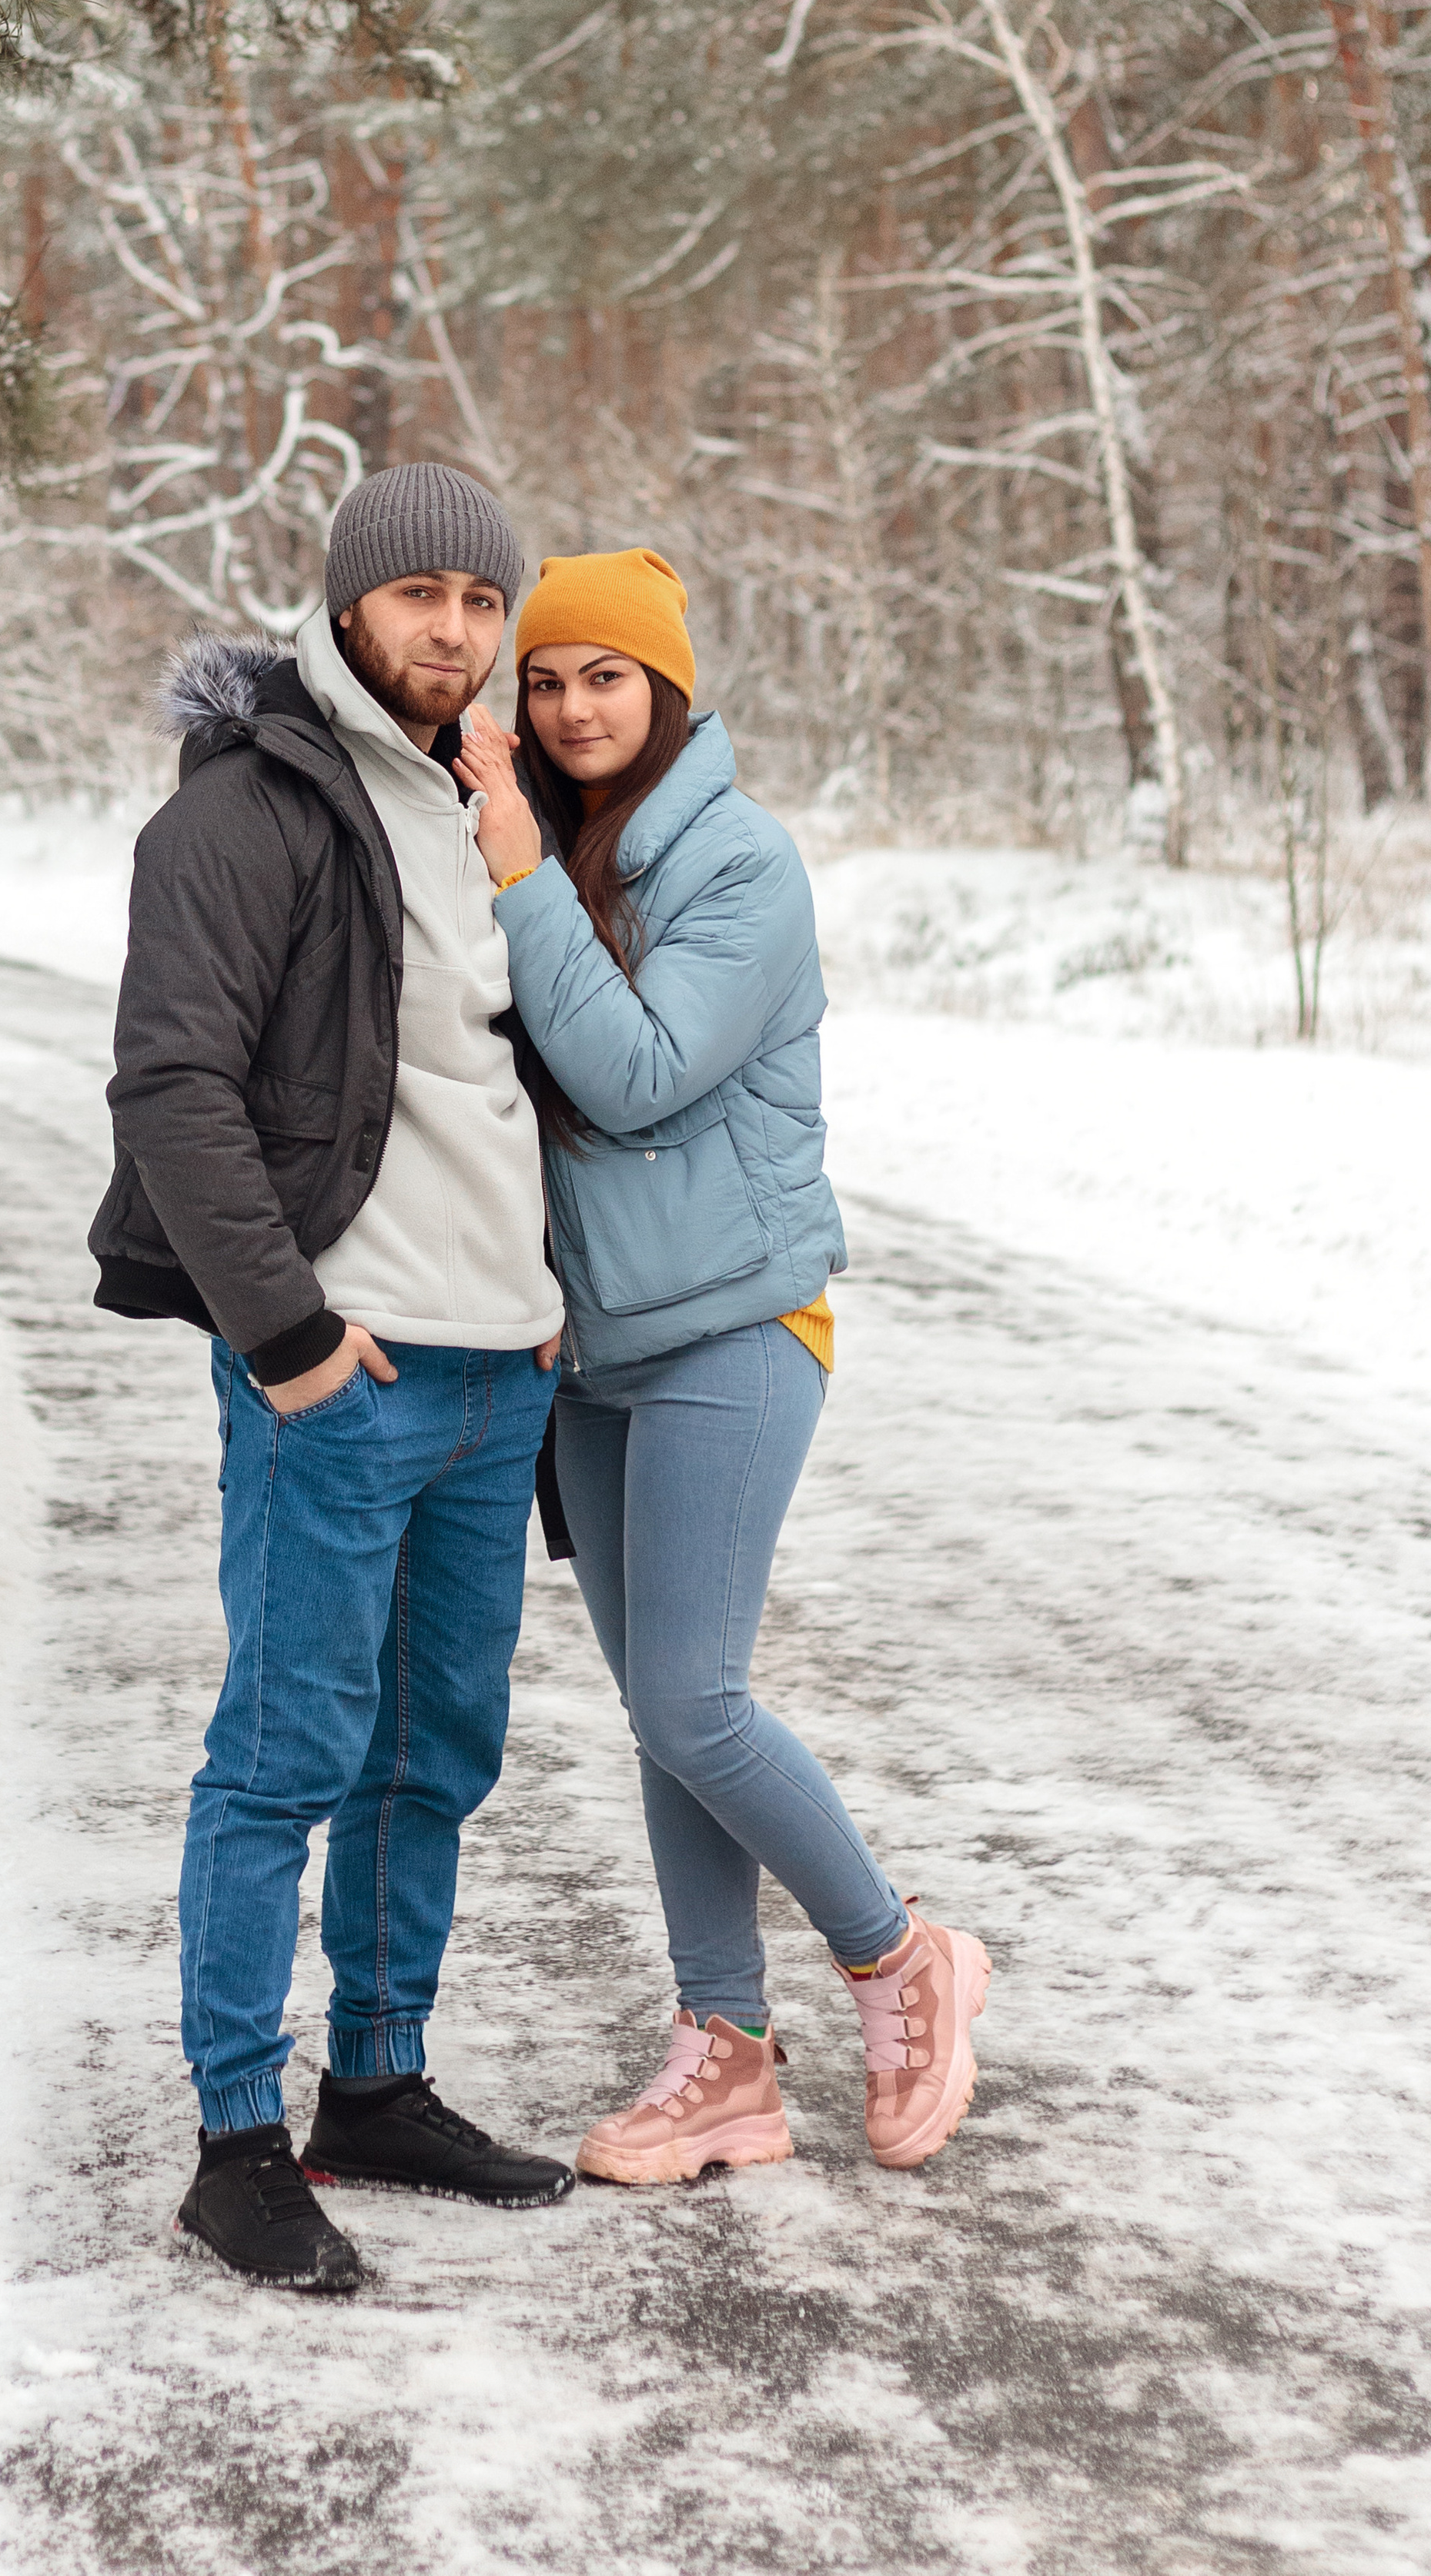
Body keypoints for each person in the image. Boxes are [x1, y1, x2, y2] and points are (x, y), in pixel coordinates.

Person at [91, 464, 574, 2293]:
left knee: (429, 1754)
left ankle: (373, 2083)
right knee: (285, 1749)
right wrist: (285, 1335)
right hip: (340, 1370)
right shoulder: (249, 811)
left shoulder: (479, 803)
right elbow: (173, 1087)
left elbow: (496, 1075)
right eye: (419, 596)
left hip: (490, 1365)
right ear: (348, 604)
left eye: (479, 600)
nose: (454, 630)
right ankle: (235, 2141)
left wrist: (542, 1300)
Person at [454, 545, 991, 2183]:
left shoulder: (740, 866)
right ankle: (725, 2054)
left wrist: (517, 875)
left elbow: (633, 1076)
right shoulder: (561, 845)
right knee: (661, 1711)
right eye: (542, 681)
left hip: (736, 1325)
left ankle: (898, 1955)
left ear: (666, 686)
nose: (568, 705)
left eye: (602, 676)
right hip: (596, 1347)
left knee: (692, 1694)